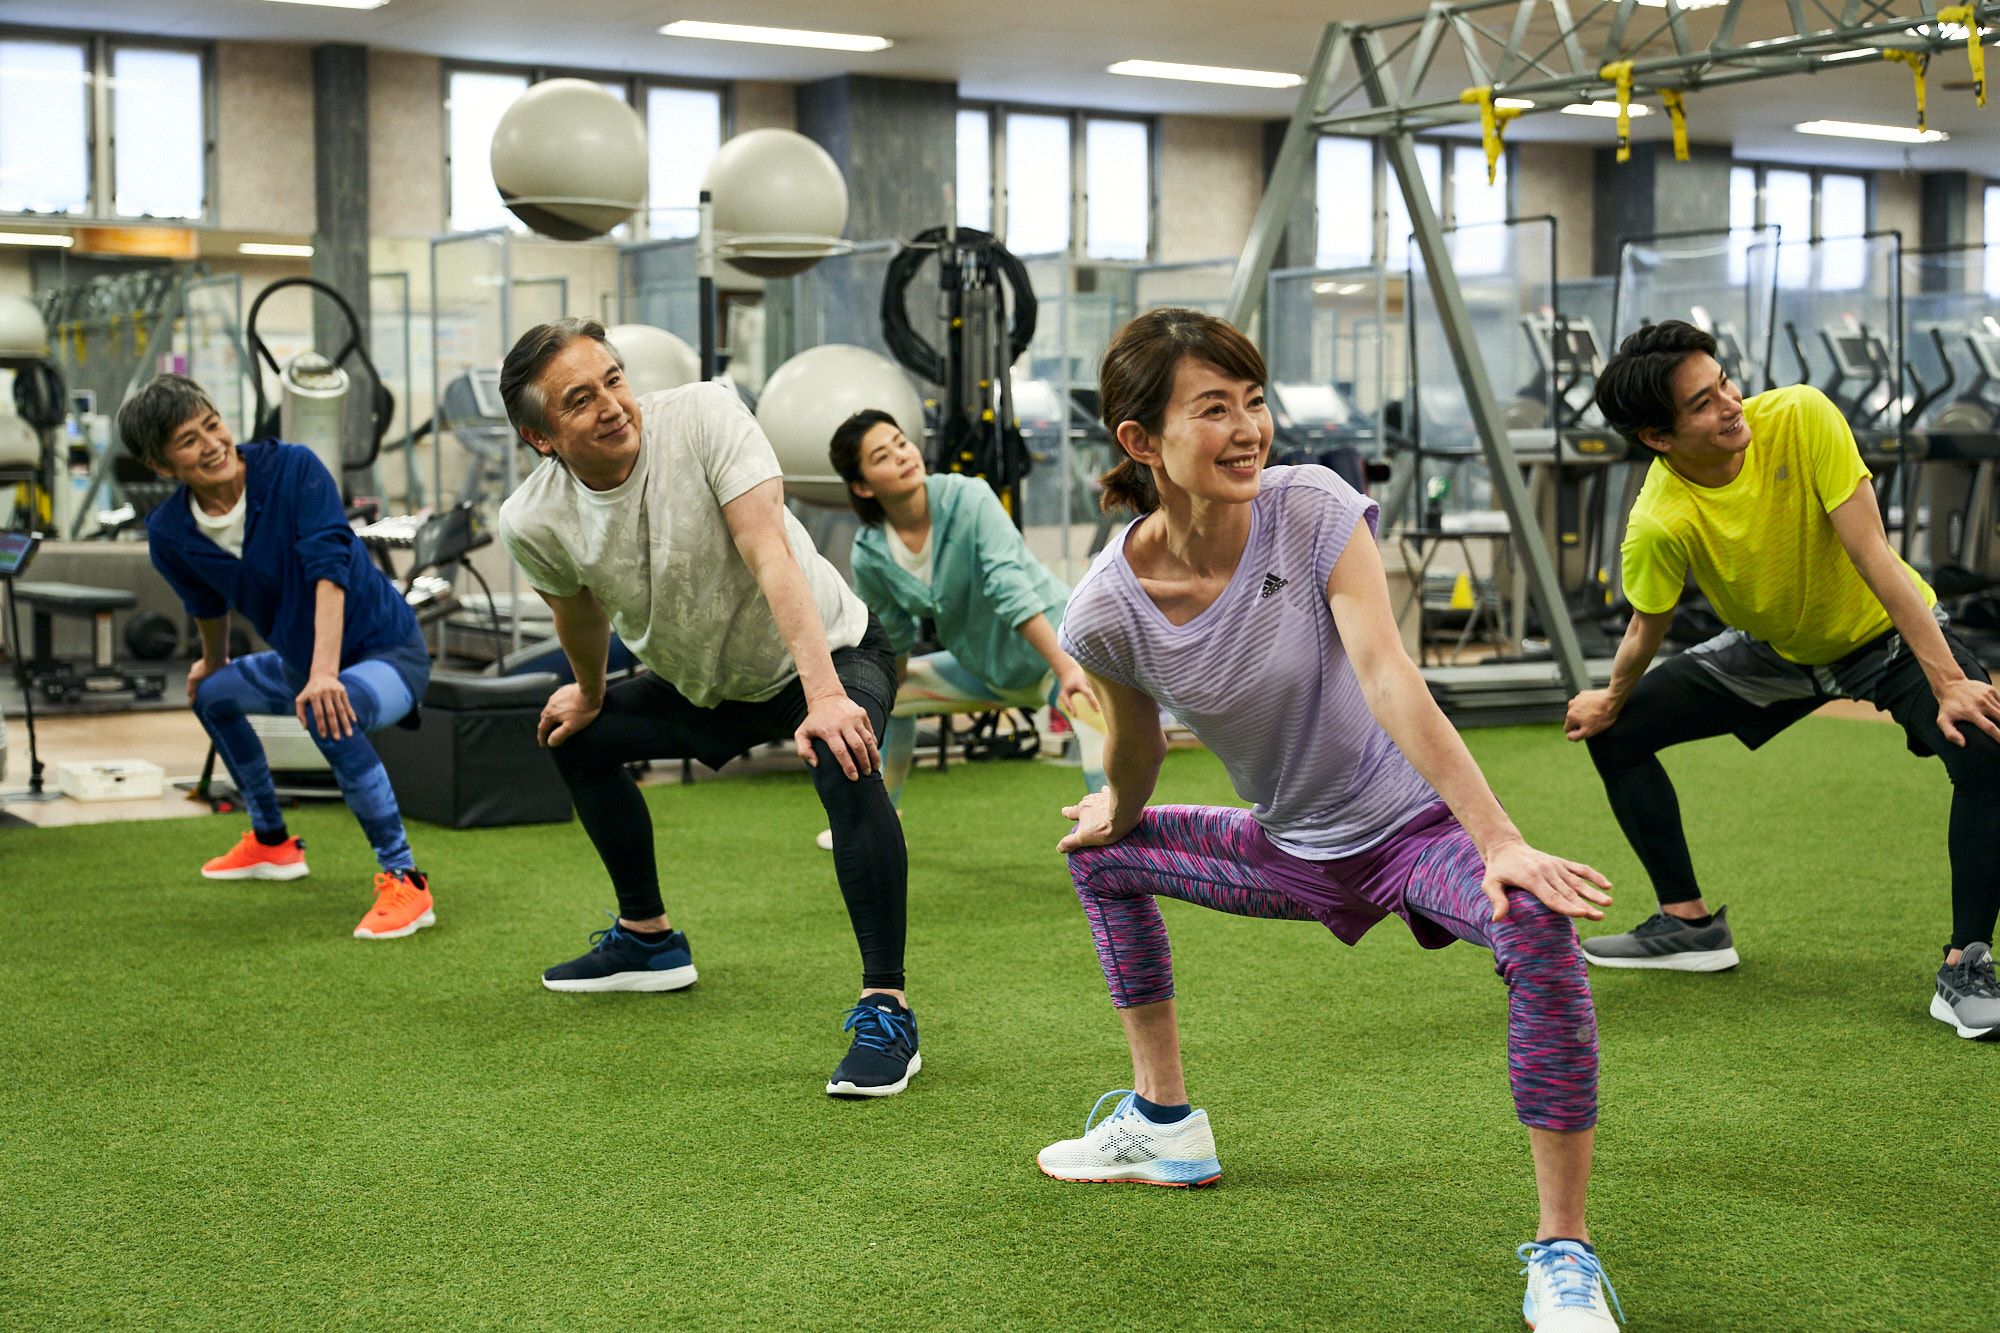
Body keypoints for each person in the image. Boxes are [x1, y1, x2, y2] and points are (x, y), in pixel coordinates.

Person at [1040, 309, 1624, 1332]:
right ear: (1141, 441)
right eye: (1211, 408)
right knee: (1101, 855)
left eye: (1253, 402)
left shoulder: (1308, 507)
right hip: (1289, 848)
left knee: (1534, 923)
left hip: (1417, 838)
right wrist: (1114, 813)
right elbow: (1132, 746)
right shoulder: (1105, 607)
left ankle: (1562, 1253)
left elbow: (1388, 677)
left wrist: (1494, 839)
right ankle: (1163, 1123)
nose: (1247, 428)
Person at [494, 318, 918, 1098]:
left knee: (844, 751)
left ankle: (885, 1004)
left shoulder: (704, 417)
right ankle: (647, 938)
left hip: (825, 653)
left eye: (614, 379)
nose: (613, 405)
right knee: (574, 739)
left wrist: (825, 695)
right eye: (580, 400)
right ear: (541, 435)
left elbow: (769, 550)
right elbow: (579, 616)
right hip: (704, 686)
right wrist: (588, 694)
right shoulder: (532, 518)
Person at [1564, 320, 2000, 1040]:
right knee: (1617, 732)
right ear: (1658, 437)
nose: (1731, 403)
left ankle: (1967, 964)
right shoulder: (1659, 518)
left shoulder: (1800, 415)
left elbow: (1875, 558)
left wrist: (1949, 680)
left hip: (1882, 638)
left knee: (1984, 738)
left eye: (1724, 382)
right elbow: (1647, 626)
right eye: (1702, 403)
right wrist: (1609, 700)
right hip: (1775, 655)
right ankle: (1688, 924)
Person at [124, 374, 434, 940]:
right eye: (189, 440)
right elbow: (206, 601)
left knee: (326, 710)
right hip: (299, 664)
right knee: (213, 696)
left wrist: (322, 674)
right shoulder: (169, 530)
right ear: (163, 466)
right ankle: (272, 843)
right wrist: (212, 662)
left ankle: (405, 878)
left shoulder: (293, 469)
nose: (212, 443)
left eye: (212, 424)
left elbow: (328, 572)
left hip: (387, 655)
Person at [821, 409, 1106, 850]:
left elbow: (1009, 588)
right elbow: (892, 637)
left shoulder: (968, 498)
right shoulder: (871, 552)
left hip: (1055, 651)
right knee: (889, 700)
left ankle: (1116, 838)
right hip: (983, 669)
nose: (902, 455)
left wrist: (1068, 670)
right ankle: (881, 823)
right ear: (862, 485)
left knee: (1091, 714)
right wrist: (888, 688)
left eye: (901, 441)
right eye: (882, 455)